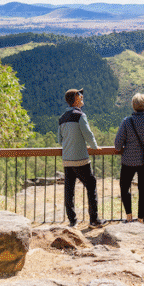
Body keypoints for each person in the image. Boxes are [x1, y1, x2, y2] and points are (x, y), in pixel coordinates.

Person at [114, 93, 144, 224]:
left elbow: (117, 145)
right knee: (143, 189)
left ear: (133, 105)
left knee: (124, 188)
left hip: (128, 161)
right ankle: (140, 219)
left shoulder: (127, 122)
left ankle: (129, 217)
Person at [58, 87, 103, 227]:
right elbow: (88, 134)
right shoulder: (80, 116)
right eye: (80, 96)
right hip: (81, 159)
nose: (82, 98)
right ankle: (94, 220)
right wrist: (95, 147)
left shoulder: (61, 119)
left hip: (67, 159)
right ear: (76, 99)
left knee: (69, 190)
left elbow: (60, 141)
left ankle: (72, 221)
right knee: (91, 185)